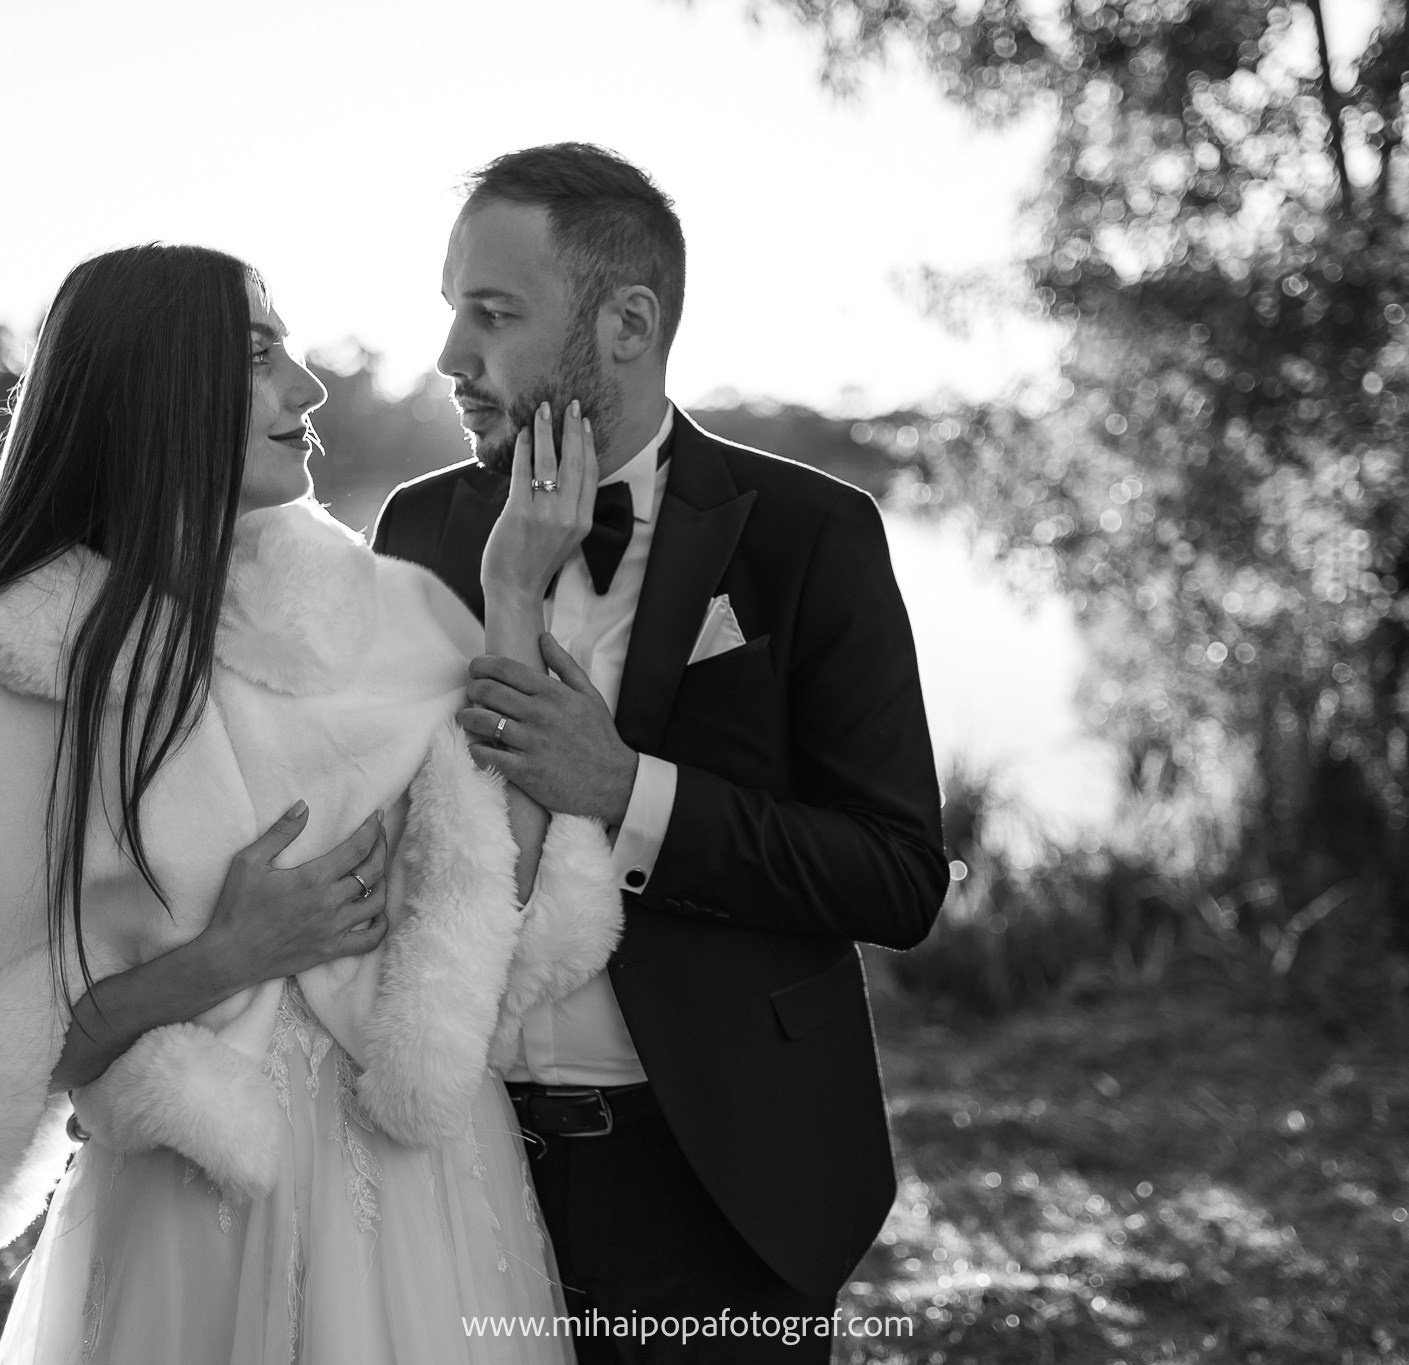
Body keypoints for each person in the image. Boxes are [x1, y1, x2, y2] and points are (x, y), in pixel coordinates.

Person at [0, 243, 624, 1364]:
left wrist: (513, 593)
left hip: (437, 1194)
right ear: (154, 391)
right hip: (199, 1208)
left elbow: (491, 911)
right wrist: (225, 956)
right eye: (262, 355)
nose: (307, 390)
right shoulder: (2, 684)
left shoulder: (386, 614)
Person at [373, 145, 949, 1362]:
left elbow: (895, 876)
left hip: (716, 1183)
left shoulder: (810, 537)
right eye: (449, 312)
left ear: (625, 322)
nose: (450, 360)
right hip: (457, 1168)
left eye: (493, 314)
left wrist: (627, 792)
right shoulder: (417, 530)